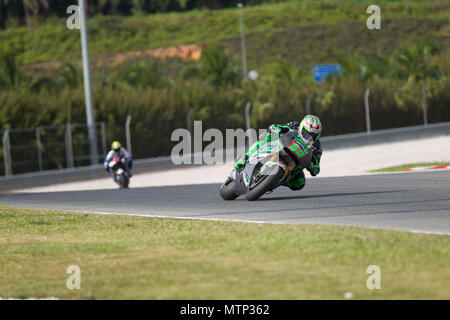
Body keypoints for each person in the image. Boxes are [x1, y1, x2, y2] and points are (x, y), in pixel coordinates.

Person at [234, 115, 322, 191]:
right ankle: (246, 156)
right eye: (306, 133)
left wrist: (312, 166)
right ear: (301, 127)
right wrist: (275, 128)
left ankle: (273, 182)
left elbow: (316, 169)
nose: (309, 137)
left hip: (295, 164)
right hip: (281, 147)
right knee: (265, 136)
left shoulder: (317, 147)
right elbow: (279, 126)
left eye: (313, 136)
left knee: (300, 183)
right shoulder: (295, 125)